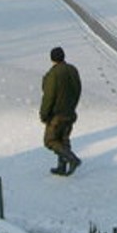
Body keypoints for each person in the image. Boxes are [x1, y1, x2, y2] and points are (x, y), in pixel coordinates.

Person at [40, 46, 82, 176]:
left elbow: (49, 96)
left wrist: (44, 114)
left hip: (57, 115)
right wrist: (72, 106)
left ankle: (72, 159)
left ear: (52, 59)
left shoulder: (53, 74)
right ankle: (62, 167)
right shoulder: (73, 70)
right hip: (70, 113)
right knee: (63, 139)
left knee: (50, 141)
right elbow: (78, 90)